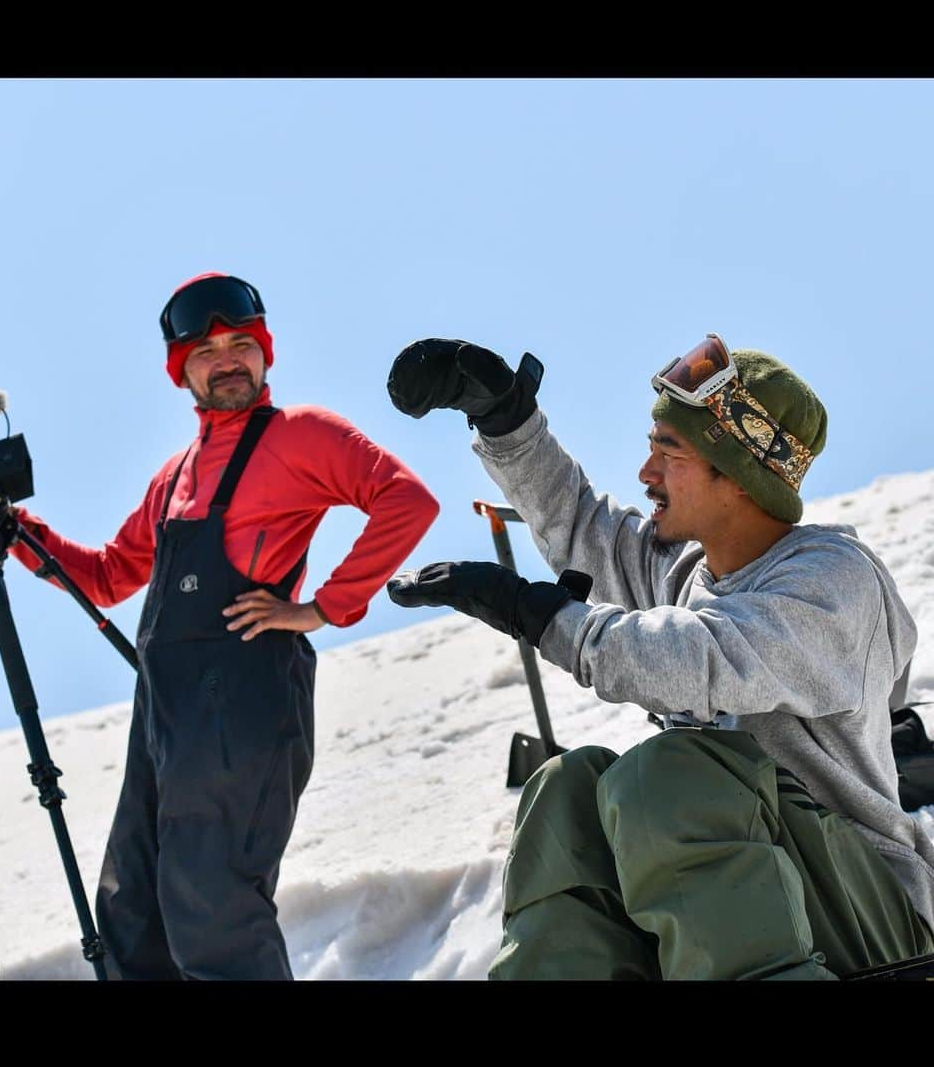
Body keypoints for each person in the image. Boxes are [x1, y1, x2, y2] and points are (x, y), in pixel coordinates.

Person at [385, 333, 934, 980]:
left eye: (668, 452)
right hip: (762, 908)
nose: (646, 473)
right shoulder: (692, 575)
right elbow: (588, 533)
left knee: (668, 775)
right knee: (569, 791)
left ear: (737, 474)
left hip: (872, 920)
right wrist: (508, 421)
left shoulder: (834, 582)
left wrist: (542, 617)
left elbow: (703, 660)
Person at [10, 271, 439, 979]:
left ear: (265, 353)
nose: (228, 359)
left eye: (241, 343)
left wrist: (322, 607)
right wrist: (17, 532)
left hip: (240, 701)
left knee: (212, 911)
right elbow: (111, 574)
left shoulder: (303, 434)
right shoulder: (173, 476)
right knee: (133, 918)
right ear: (182, 373)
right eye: (206, 352)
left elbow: (406, 500)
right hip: (165, 717)